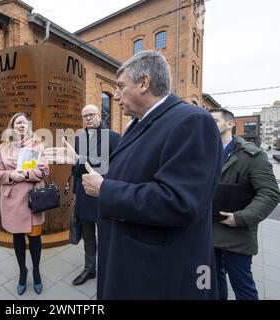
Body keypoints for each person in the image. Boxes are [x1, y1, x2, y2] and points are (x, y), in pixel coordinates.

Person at [81, 50, 223, 299]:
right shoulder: (141, 123)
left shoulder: (191, 121)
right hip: (134, 262)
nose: (115, 96)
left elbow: (179, 201)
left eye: (121, 86)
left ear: (144, 83)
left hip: (158, 274)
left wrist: (105, 189)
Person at [209, 108, 280, 300]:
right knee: (211, 285)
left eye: (214, 121)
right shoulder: (202, 152)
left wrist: (241, 218)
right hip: (206, 233)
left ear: (231, 124)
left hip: (236, 234)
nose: (209, 124)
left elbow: (270, 193)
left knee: (243, 287)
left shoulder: (252, 156)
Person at [0, 112, 49, 296]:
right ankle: (22, 273)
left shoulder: (37, 144)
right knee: (17, 238)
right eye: (18, 122)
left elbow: (44, 171)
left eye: (24, 122)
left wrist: (25, 174)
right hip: (12, 201)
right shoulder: (3, 147)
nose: (21, 125)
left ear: (28, 126)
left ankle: (36, 271)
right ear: (12, 126)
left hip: (33, 200)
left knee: (35, 239)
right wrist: (11, 175)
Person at [69, 105, 120, 288]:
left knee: (107, 236)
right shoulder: (79, 138)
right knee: (88, 236)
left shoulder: (113, 138)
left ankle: (109, 270)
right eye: (85, 116)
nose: (88, 118)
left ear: (99, 115)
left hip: (103, 194)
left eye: (91, 115)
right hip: (83, 195)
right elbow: (76, 170)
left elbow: (116, 167)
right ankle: (90, 269)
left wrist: (84, 161)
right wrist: (75, 193)